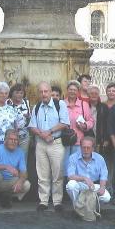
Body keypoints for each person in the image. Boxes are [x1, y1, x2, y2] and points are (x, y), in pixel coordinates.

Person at [29, 81, 70, 211]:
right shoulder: (36, 107)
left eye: (46, 91)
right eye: (41, 92)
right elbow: (32, 126)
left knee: (57, 174)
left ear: (50, 91)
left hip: (56, 143)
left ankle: (57, 201)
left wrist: (50, 132)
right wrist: (42, 135)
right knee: (42, 174)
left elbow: (65, 123)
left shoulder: (60, 104)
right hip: (41, 143)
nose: (43, 94)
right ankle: (43, 201)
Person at [0, 129, 31, 213]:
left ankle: (6, 196)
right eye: (11, 139)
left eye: (16, 140)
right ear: (5, 140)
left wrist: (20, 181)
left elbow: (24, 172)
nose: (13, 142)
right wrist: (6, 167)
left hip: (9, 181)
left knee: (26, 184)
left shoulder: (20, 152)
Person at [66, 135, 110, 207]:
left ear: (93, 148)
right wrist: (84, 178)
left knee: (106, 198)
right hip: (80, 185)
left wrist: (102, 187)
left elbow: (103, 175)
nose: (86, 150)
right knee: (71, 185)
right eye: (84, 147)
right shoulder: (73, 157)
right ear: (80, 147)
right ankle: (77, 206)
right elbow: (70, 176)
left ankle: (90, 207)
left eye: (88, 148)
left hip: (94, 185)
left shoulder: (100, 158)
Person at [65, 80, 94, 167]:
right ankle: (66, 180)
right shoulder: (62, 103)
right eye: (70, 89)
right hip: (64, 140)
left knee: (77, 164)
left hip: (78, 141)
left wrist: (85, 125)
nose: (72, 91)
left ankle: (75, 180)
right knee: (64, 165)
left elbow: (91, 121)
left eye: (74, 90)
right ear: (67, 90)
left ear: (78, 91)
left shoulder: (83, 104)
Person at [7, 83, 31, 157]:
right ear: (12, 93)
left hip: (23, 136)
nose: (19, 95)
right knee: (10, 157)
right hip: (11, 136)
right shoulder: (7, 103)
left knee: (22, 158)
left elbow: (29, 116)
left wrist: (28, 117)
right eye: (17, 92)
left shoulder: (26, 102)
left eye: (21, 93)